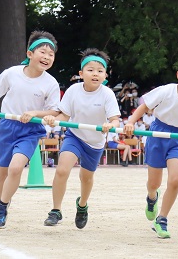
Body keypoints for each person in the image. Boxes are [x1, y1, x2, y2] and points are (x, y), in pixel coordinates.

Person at [0, 31, 60, 229]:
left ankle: (1, 207)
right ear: (30, 53)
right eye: (42, 52)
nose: (47, 57)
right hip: (7, 126)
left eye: (51, 54)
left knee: (16, 168)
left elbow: (53, 110)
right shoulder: (12, 73)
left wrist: (35, 113)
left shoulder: (51, 83)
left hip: (30, 129)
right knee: (2, 171)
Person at [124, 54, 178, 239]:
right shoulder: (166, 90)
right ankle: (151, 197)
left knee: (175, 180)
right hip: (157, 133)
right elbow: (143, 107)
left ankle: (162, 219)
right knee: (154, 183)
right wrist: (131, 122)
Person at [42, 48, 121, 229]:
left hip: (95, 143)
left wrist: (111, 125)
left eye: (100, 71)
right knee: (62, 170)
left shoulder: (107, 94)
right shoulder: (73, 90)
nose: (95, 74)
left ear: (105, 75)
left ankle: (82, 205)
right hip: (75, 136)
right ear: (81, 73)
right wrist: (54, 120)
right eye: (90, 70)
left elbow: (115, 120)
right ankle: (56, 210)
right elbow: (64, 116)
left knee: (86, 178)